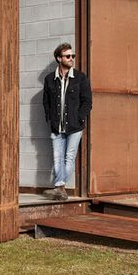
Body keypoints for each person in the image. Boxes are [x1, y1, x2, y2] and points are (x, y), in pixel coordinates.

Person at [42, 42, 92, 200]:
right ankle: (61, 189)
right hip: (56, 125)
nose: (71, 58)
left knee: (69, 157)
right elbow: (46, 102)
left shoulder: (80, 78)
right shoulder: (50, 79)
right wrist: (50, 119)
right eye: (68, 56)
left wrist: (79, 118)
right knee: (57, 157)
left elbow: (87, 101)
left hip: (75, 126)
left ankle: (59, 187)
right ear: (59, 58)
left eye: (73, 56)